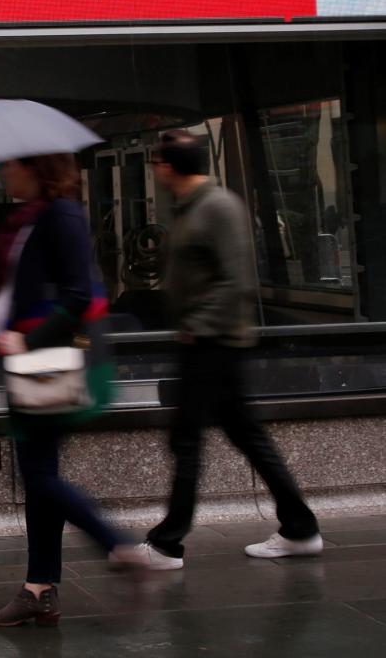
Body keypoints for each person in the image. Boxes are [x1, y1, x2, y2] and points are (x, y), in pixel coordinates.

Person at [0, 153, 146, 628]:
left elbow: (79, 294)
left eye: (12, 166)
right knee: (39, 476)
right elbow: (25, 283)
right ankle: (39, 590)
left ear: (37, 169)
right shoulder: (29, 218)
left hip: (47, 361)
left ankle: (115, 544)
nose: (4, 174)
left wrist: (28, 338)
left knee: (38, 476)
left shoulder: (60, 214)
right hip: (29, 361)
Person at [132, 130, 321, 568]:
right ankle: (300, 528)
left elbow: (237, 280)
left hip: (213, 342)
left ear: (170, 166)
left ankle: (166, 544)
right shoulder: (190, 207)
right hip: (206, 341)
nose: (155, 169)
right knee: (244, 436)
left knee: (188, 440)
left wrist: (196, 325)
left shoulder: (218, 207)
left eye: (157, 161)